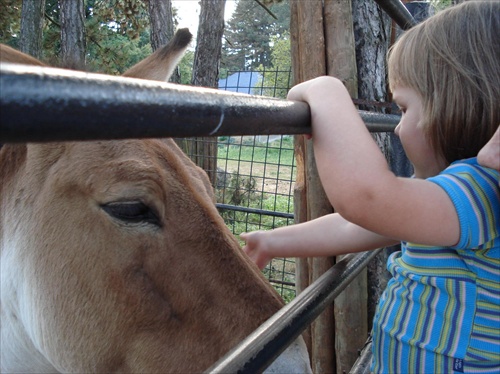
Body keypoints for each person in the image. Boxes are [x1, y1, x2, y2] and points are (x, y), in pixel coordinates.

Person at [241, 2, 499, 373]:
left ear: (455, 104)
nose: (396, 127)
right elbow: (356, 223)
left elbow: (366, 199)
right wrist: (276, 241)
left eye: (404, 109)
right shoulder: (448, 200)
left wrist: (327, 90)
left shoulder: (481, 193)